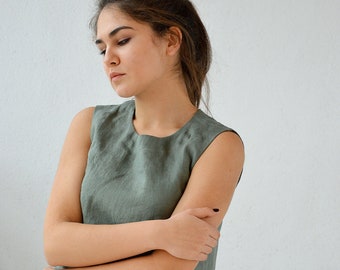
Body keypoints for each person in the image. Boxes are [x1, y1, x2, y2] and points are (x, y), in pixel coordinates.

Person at [43, 0, 244, 269]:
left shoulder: (219, 146)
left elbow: (168, 267)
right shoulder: (88, 125)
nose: (108, 59)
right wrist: (162, 232)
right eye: (102, 49)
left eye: (122, 40)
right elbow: (55, 244)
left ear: (171, 40)